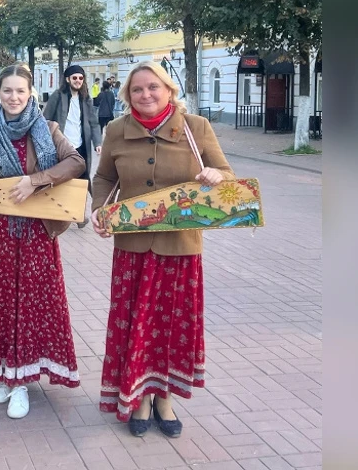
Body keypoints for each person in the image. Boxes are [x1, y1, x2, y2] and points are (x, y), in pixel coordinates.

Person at [90, 61, 234, 439]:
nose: (146, 95)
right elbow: (104, 176)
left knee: (170, 326)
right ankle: (138, 397)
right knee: (135, 322)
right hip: (132, 247)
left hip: (180, 248)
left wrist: (217, 177)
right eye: (137, 89)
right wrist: (101, 208)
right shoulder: (117, 130)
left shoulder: (196, 128)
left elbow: (227, 175)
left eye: (154, 87)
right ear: (128, 95)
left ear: (169, 90)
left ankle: (164, 396)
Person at [0, 64, 84, 419]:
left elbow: (75, 161)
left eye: (20, 91)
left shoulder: (48, 129)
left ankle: (23, 381)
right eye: (7, 91)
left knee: (31, 305)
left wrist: (37, 180)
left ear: (31, 94)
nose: (13, 97)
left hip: (36, 235)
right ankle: (3, 373)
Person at [42, 64, 103, 216]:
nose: (78, 81)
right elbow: (46, 118)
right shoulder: (58, 95)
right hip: (62, 146)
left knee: (82, 179)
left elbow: (94, 123)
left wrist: (98, 143)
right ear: (68, 79)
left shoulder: (86, 98)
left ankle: (78, 213)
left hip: (81, 145)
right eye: (74, 78)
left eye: (81, 78)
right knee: (62, 177)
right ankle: (60, 210)